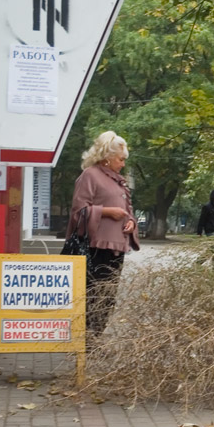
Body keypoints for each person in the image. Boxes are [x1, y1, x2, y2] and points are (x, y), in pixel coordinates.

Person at [66, 131, 139, 337]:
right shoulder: (90, 175)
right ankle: (85, 339)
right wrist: (107, 212)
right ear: (107, 157)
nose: (123, 164)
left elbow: (129, 210)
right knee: (93, 294)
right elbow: (78, 211)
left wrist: (131, 222)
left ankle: (96, 337)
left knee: (108, 296)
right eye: (120, 159)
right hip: (95, 247)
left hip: (116, 247)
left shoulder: (118, 180)